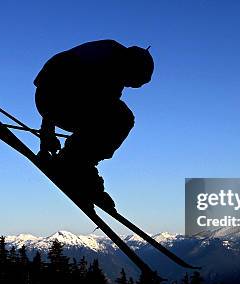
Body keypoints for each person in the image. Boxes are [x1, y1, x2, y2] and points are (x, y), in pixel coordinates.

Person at [34, 40, 154, 212]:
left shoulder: (112, 61)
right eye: (134, 82)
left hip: (58, 101)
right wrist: (47, 134)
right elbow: (59, 83)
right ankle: (73, 165)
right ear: (132, 67)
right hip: (54, 100)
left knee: (115, 116)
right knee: (121, 118)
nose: (130, 86)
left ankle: (76, 165)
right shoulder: (104, 65)